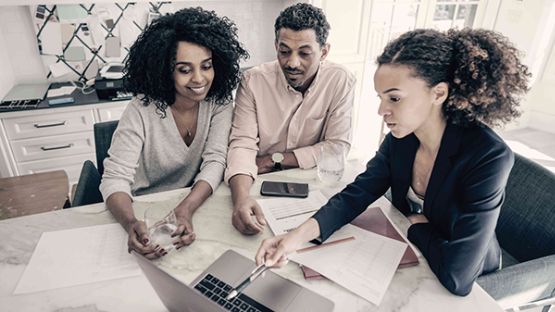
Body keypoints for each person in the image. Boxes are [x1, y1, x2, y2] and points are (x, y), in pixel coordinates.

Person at [255, 28, 530, 296]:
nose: (381, 111)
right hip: (416, 257)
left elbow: (458, 277)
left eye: (394, 98)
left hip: (471, 277)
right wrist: (293, 238)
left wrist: (417, 228)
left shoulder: (487, 155)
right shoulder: (402, 138)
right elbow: (357, 193)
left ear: (438, 94)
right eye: (381, 97)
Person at [99, 7, 248, 259]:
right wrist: (129, 222)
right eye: (184, 69)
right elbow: (114, 178)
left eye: (206, 66)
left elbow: (216, 160)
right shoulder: (141, 109)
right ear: (165, 70)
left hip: (194, 203)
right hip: (143, 208)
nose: (199, 79)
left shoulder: (219, 102)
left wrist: (186, 209)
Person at [225, 3, 356, 235]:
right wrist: (241, 200)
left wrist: (274, 159)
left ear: (324, 52)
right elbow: (242, 144)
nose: (292, 63)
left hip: (315, 188)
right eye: (284, 51)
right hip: (257, 184)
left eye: (304, 53)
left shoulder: (340, 80)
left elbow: (337, 147)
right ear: (276, 46)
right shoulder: (253, 81)